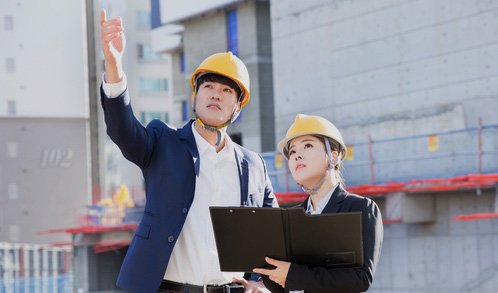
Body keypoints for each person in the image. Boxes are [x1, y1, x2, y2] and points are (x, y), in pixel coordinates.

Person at [98, 8, 278, 292]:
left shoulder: (254, 165)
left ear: (238, 107)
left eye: (227, 90)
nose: (216, 93)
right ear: (195, 96)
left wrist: (261, 282)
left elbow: (272, 233)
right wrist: (114, 66)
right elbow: (123, 131)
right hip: (165, 287)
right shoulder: (163, 141)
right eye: (208, 86)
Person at [253, 114, 383, 293]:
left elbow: (360, 279)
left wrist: (293, 276)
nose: (297, 155)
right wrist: (263, 278)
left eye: (307, 145)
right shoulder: (290, 218)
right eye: (292, 152)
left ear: (333, 157)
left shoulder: (360, 209)